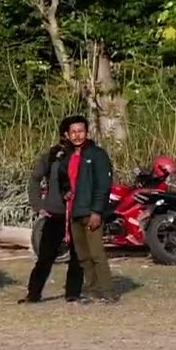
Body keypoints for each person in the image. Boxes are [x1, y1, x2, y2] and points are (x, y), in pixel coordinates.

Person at [58, 115, 116, 304]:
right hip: (75, 212)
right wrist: (65, 192)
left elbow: (103, 185)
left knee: (97, 253)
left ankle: (108, 292)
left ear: (87, 132)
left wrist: (97, 212)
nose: (77, 135)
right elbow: (64, 181)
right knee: (83, 256)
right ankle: (93, 291)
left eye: (80, 131)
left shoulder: (97, 155)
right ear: (67, 134)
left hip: (91, 211)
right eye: (73, 132)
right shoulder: (67, 157)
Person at [20, 136, 81, 304]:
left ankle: (73, 293)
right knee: (45, 257)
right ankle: (33, 294)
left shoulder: (86, 154)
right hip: (55, 213)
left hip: (77, 212)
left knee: (77, 257)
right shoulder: (52, 155)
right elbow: (35, 179)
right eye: (69, 133)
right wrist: (38, 205)